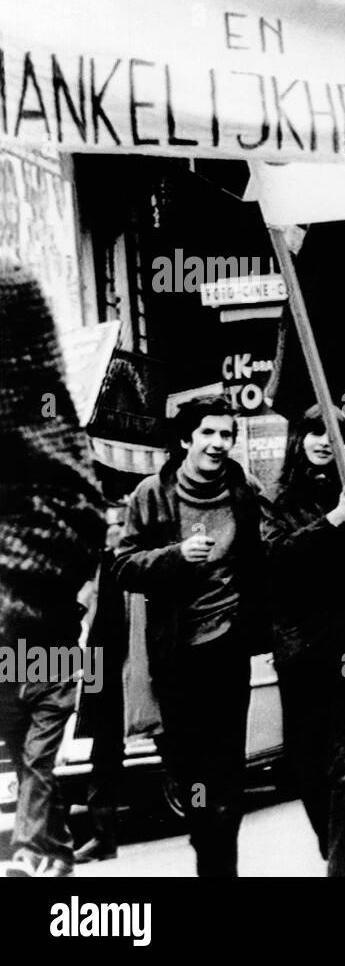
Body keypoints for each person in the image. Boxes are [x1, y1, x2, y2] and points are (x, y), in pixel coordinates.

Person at [111, 395, 269, 877]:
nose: (217, 444)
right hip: (177, 657)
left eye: (226, 434)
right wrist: (175, 556)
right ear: (185, 440)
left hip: (228, 649)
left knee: (225, 778)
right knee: (191, 777)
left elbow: (268, 554)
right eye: (207, 433)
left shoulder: (246, 491)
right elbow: (122, 566)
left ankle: (221, 868)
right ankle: (208, 849)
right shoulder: (150, 495)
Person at [0, 261, 106, 878]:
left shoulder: (10, 297)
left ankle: (34, 848)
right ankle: (52, 846)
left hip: (49, 638)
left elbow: (78, 511)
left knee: (39, 752)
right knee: (27, 754)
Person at [262, 403, 345, 877]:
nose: (323, 441)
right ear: (299, 439)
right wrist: (333, 520)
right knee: (306, 766)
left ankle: (344, 870)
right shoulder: (277, 498)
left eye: (334, 435)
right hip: (300, 651)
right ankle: (344, 846)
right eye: (315, 431)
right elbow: (275, 558)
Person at [72, 505, 129, 865]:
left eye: (122, 523)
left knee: (176, 747)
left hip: (139, 665)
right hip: (105, 667)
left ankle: (203, 817)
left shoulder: (138, 560)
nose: (117, 531)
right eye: (111, 525)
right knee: (103, 756)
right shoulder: (98, 565)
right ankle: (103, 838)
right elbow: (82, 606)